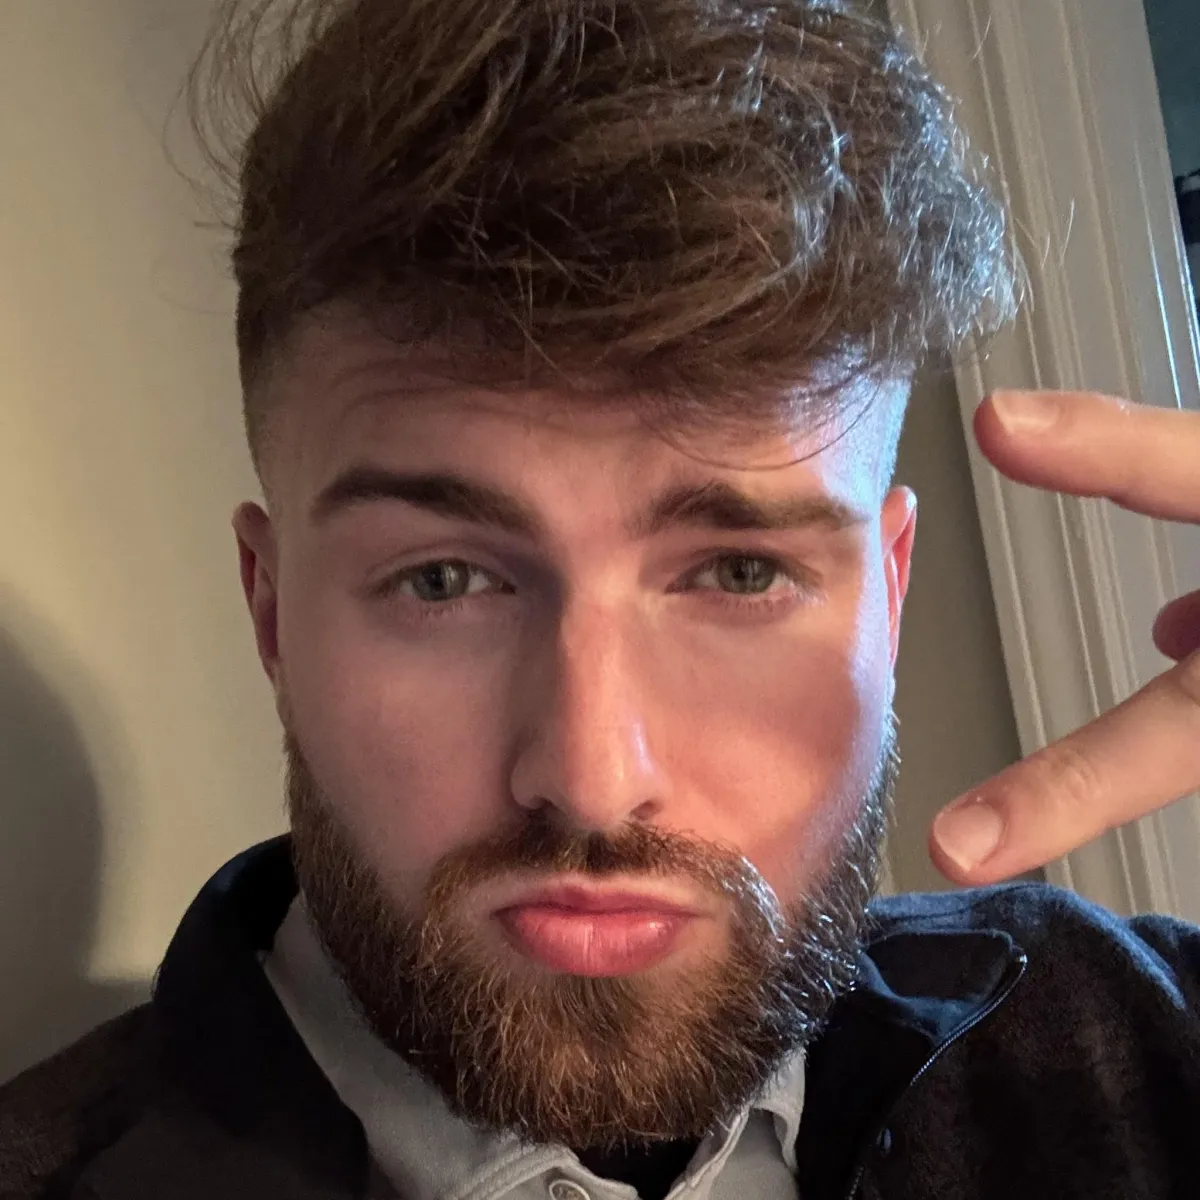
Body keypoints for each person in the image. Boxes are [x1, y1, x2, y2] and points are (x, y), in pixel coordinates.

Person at [3, 0, 1198, 1197]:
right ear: (271, 613)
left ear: (889, 597)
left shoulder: (1142, 1045)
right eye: (442, 580)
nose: (590, 778)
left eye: (739, 573)